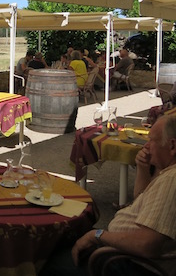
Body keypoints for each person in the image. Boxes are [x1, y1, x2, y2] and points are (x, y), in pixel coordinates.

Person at [41, 114, 176, 275]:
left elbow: (147, 245)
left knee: (45, 258)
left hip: (125, 262)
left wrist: (96, 235)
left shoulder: (171, 179)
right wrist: (143, 168)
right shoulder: (167, 174)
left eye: (152, 140)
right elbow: (142, 200)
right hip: (121, 249)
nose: (146, 146)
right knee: (65, 235)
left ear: (172, 146)